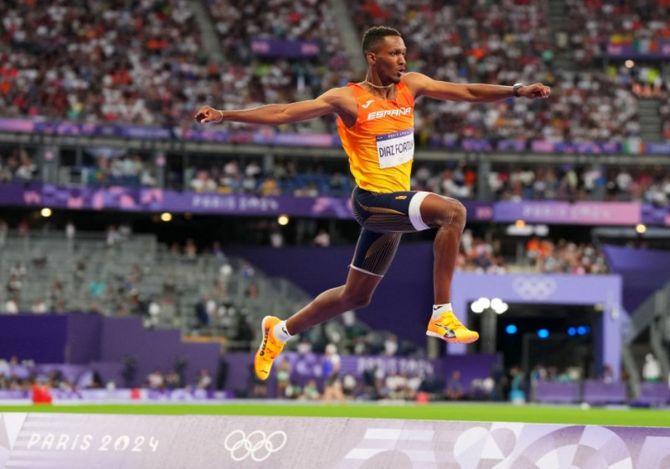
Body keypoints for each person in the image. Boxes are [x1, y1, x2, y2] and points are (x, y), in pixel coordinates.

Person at [195, 26, 551, 381]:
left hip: (392, 207)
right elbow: (285, 112)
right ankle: (441, 313)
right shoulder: (347, 99)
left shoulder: (410, 86)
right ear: (372, 57)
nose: (402, 59)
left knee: (355, 297)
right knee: (453, 213)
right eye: (394, 53)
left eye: (404, 52)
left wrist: (516, 91)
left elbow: (468, 91)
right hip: (371, 203)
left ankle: (279, 333)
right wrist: (226, 115)